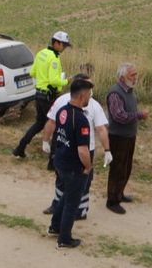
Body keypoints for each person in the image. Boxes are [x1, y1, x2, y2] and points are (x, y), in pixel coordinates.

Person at [41, 74, 112, 219]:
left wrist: (107, 150)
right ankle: (57, 205)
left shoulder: (94, 106)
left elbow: (101, 129)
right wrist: (45, 140)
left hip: (86, 150)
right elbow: (51, 122)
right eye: (88, 87)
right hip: (65, 147)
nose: (90, 91)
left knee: (84, 182)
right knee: (61, 179)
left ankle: (81, 210)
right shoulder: (62, 101)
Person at [47, 78, 93, 249]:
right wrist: (88, 167)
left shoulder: (62, 111)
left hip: (60, 161)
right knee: (72, 203)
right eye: (88, 94)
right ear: (82, 96)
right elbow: (82, 150)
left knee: (66, 195)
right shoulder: (81, 119)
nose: (89, 97)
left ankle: (55, 226)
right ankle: (64, 239)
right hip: (74, 167)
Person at [12, 31, 71, 159]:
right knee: (56, 124)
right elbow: (54, 81)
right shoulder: (54, 58)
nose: (65, 48)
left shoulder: (41, 53)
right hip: (48, 96)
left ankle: (20, 148)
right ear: (56, 43)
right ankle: (53, 158)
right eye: (64, 45)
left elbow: (33, 73)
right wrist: (67, 81)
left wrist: (42, 78)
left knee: (39, 123)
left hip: (38, 94)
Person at [105, 63, 149, 214]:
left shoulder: (130, 91)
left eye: (136, 74)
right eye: (132, 75)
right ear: (122, 77)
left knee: (126, 167)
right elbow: (119, 116)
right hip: (118, 137)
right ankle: (112, 200)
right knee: (117, 168)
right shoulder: (115, 93)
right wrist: (139, 115)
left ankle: (119, 194)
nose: (135, 78)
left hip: (129, 136)